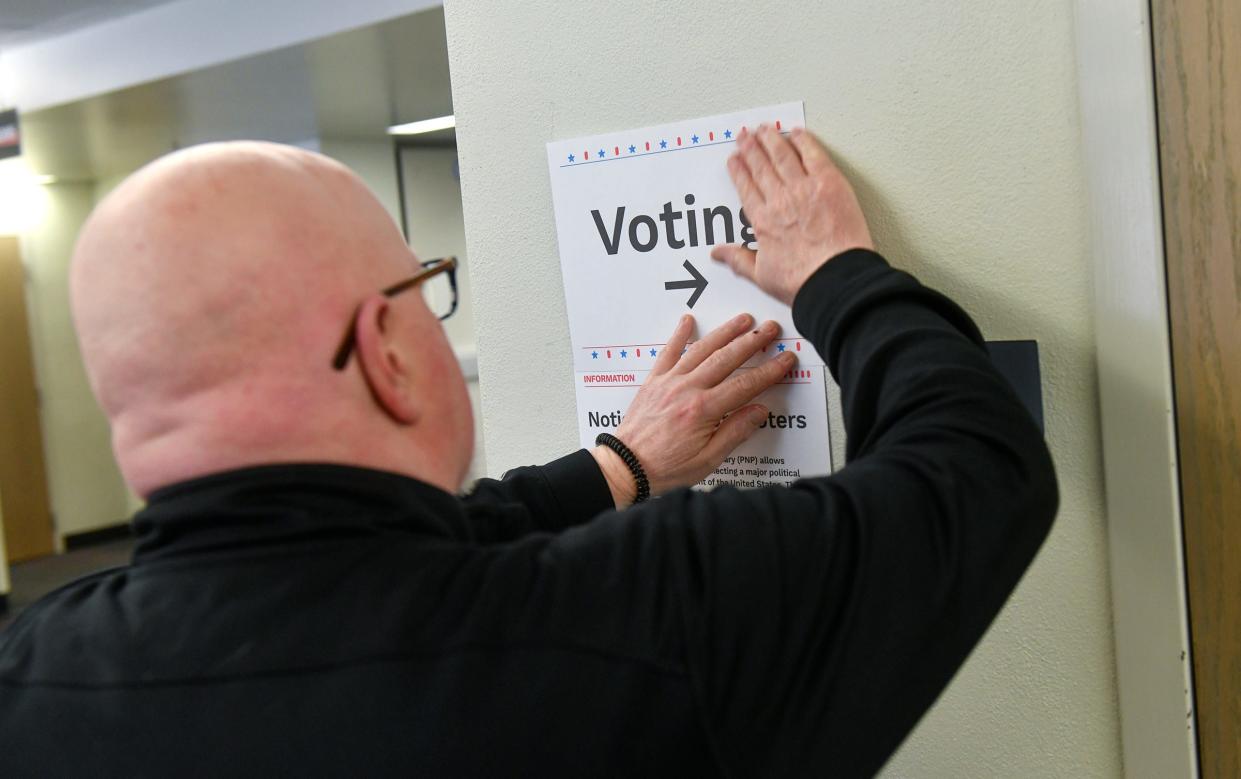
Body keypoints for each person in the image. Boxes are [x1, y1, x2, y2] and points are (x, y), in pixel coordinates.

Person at [0, 127, 1056, 777]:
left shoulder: (31, 677)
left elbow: (347, 562)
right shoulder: (652, 617)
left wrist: (622, 469)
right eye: (423, 289)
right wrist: (836, 272)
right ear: (385, 352)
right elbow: (974, 462)